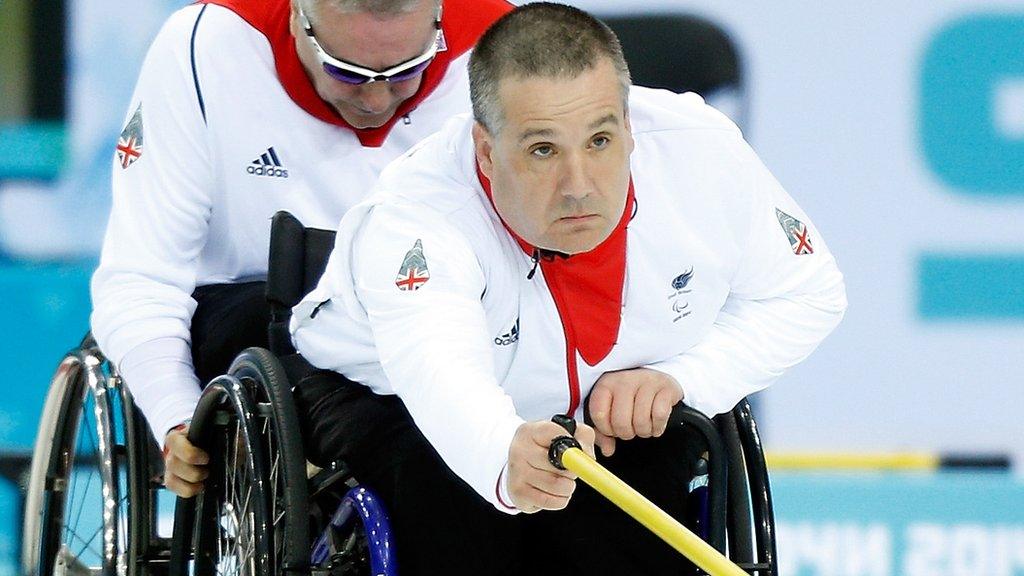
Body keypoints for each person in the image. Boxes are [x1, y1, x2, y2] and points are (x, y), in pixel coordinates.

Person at [291, 2, 847, 574]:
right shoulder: (417, 217)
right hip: (386, 393)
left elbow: (809, 293)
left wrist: (684, 376)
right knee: (449, 487)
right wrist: (502, 453)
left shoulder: (701, 153)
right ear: (486, 151)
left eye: (600, 142)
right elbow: (443, 376)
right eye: (542, 150)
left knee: (661, 456)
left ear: (629, 128)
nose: (578, 186)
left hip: (602, 404)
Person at [89, 0, 511, 498]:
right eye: (346, 72)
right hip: (256, 311)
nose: (377, 101)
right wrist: (176, 416)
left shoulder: (503, 46)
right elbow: (142, 276)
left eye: (408, 71)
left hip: (433, 312)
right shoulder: (208, 46)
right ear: (297, 20)